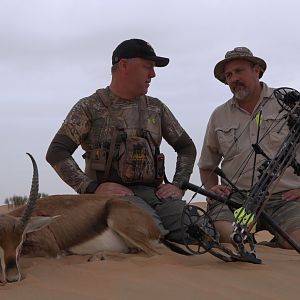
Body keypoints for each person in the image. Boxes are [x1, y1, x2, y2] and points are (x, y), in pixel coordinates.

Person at [46, 38, 196, 243]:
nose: (153, 74)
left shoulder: (156, 108)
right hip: (115, 202)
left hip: (156, 196)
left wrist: (178, 185)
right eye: (147, 67)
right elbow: (57, 152)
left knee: (197, 232)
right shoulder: (89, 107)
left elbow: (186, 147)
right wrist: (91, 188)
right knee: (151, 237)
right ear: (124, 65)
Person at [198, 47, 300, 248]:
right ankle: (252, 246)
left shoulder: (291, 104)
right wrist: (212, 189)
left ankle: (272, 247)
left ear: (257, 70)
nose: (233, 78)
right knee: (229, 236)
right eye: (228, 75)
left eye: (239, 71)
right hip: (238, 201)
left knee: (297, 242)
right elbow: (207, 165)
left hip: (283, 199)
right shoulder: (219, 115)